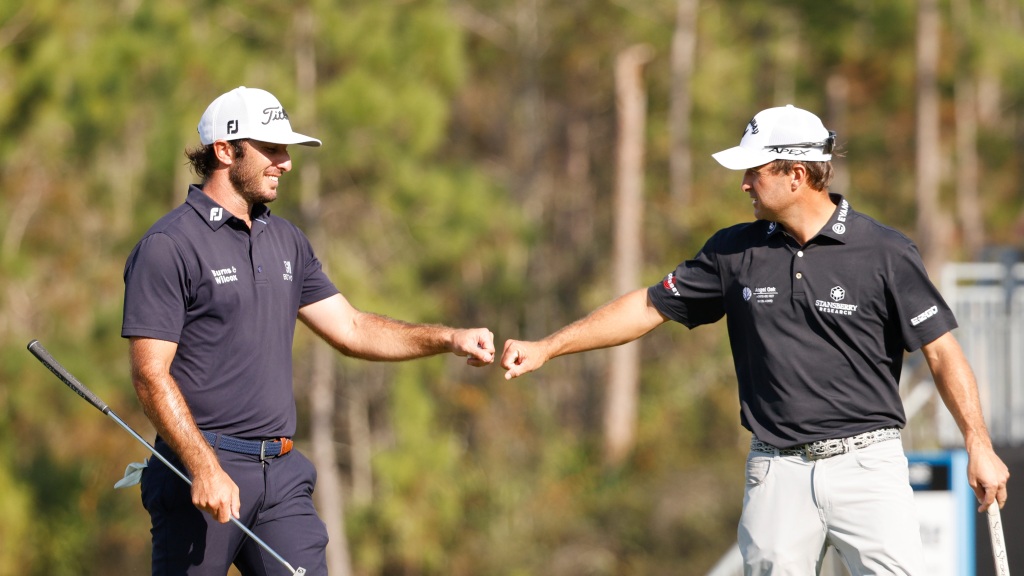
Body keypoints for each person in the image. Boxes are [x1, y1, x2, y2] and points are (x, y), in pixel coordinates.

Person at [500, 104, 1009, 575]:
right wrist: (549, 346)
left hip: (868, 468)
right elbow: (648, 306)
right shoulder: (732, 250)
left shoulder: (886, 252)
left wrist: (977, 443)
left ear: (796, 174)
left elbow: (942, 352)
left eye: (755, 171)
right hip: (776, 470)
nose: (744, 184)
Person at [121, 86, 495, 575]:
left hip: (281, 477)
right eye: (272, 149)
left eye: (286, 150)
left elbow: (353, 328)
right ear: (225, 150)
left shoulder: (286, 240)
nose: (286, 162)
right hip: (201, 475)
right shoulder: (169, 246)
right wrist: (203, 467)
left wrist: (448, 338)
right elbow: (151, 374)